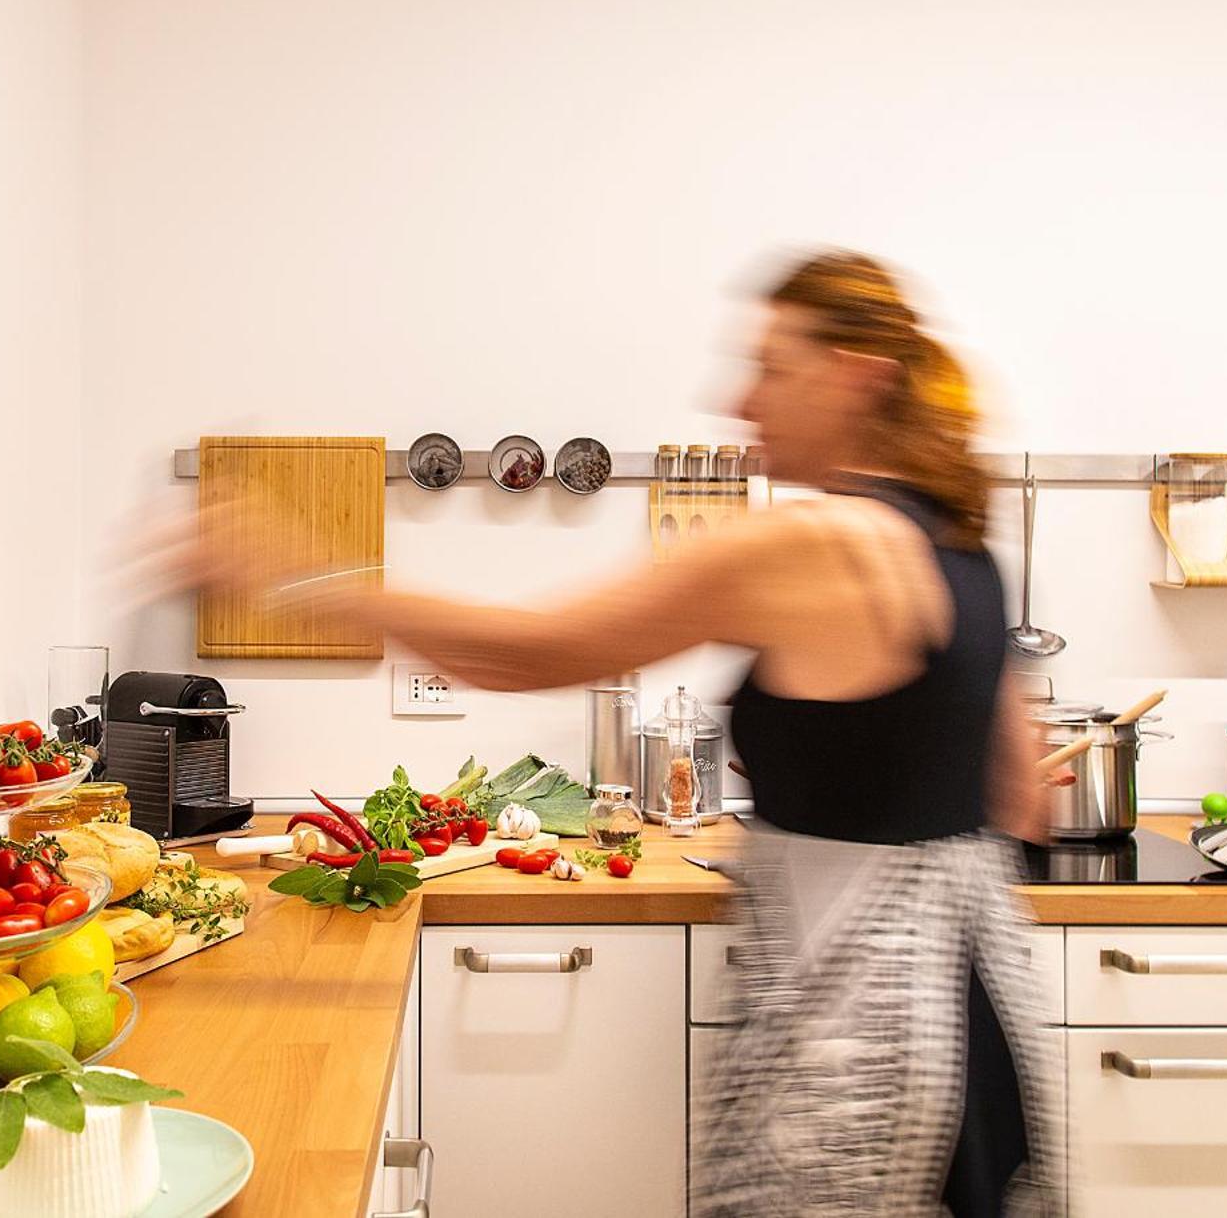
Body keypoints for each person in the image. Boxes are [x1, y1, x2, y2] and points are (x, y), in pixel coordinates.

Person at [144, 249, 1060, 1215]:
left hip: (859, 1041)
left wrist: (295, 574)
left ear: (859, 375)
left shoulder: (825, 539)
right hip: (978, 1012)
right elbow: (1020, 796)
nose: (740, 399)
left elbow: (524, 653)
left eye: (773, 367)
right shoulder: (964, 545)